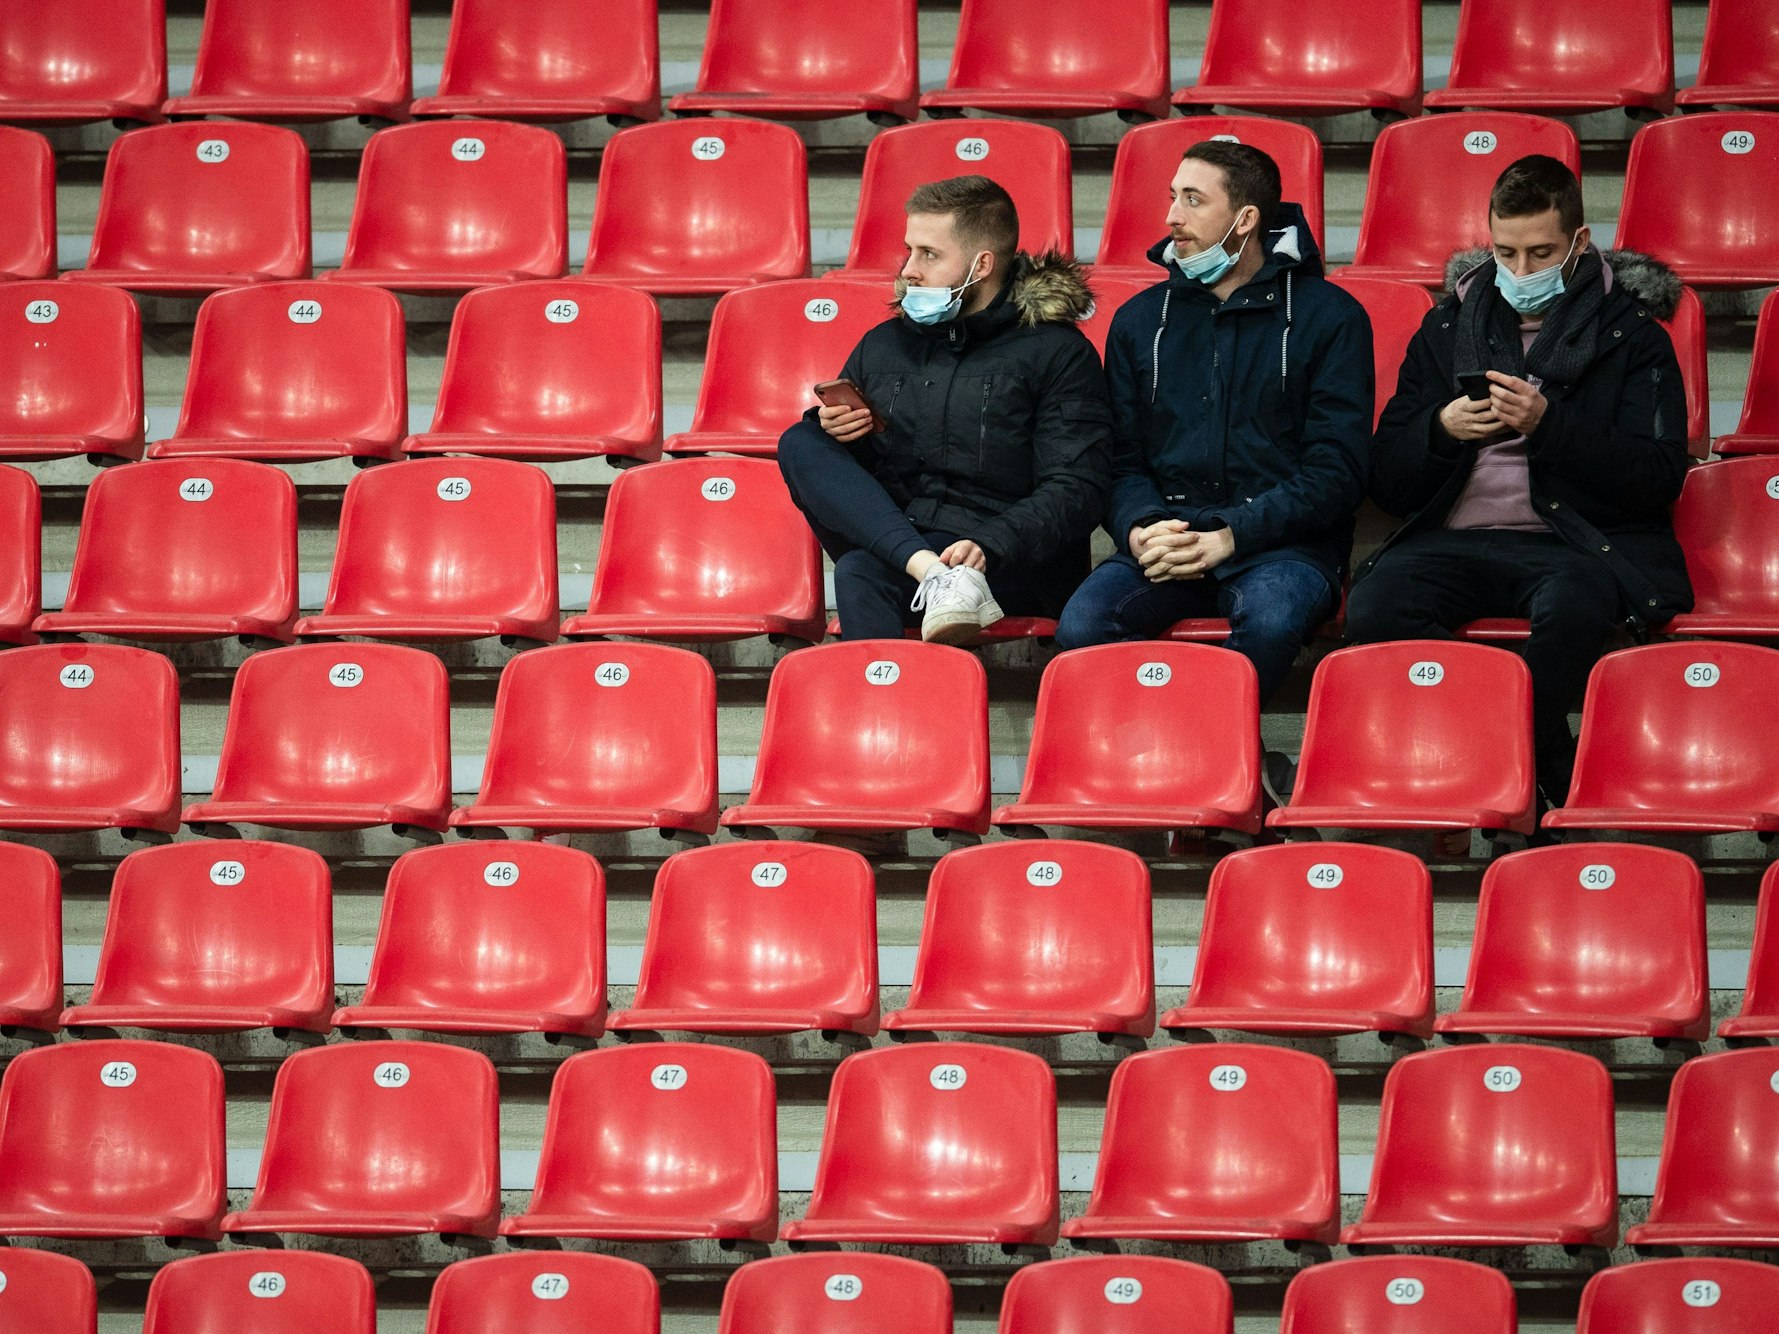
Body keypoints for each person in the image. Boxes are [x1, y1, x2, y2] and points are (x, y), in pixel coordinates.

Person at [1346, 154, 1693, 804]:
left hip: (1570, 542)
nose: (1521, 272)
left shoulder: (1632, 336)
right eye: (1506, 253)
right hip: (1448, 536)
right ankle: (1546, 764)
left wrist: (1549, 424)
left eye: (1540, 253)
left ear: (1578, 243)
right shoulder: (1448, 325)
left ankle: (1492, 775)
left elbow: (1656, 477)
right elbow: (1387, 483)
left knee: (1574, 612)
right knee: (1372, 608)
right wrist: (1440, 430)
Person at [1053, 141, 1373, 706]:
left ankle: (1212, 761)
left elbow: (1337, 471)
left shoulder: (1332, 317)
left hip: (1283, 546)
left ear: (1245, 219)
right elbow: (1120, 460)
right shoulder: (1139, 320)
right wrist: (1140, 528)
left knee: (1271, 624)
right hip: (1167, 538)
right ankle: (1144, 766)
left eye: (1193, 200)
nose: (1171, 216)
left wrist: (1231, 535)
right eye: (1173, 196)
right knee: (1081, 628)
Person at [776, 174, 1111, 644]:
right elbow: (868, 476)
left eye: (929, 254)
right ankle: (930, 578)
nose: (909, 268)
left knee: (857, 570)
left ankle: (932, 604)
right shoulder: (884, 344)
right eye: (909, 250)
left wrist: (990, 545)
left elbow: (1078, 488)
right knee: (802, 440)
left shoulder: (1057, 352)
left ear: (982, 264)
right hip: (911, 544)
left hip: (1010, 558)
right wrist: (845, 431)